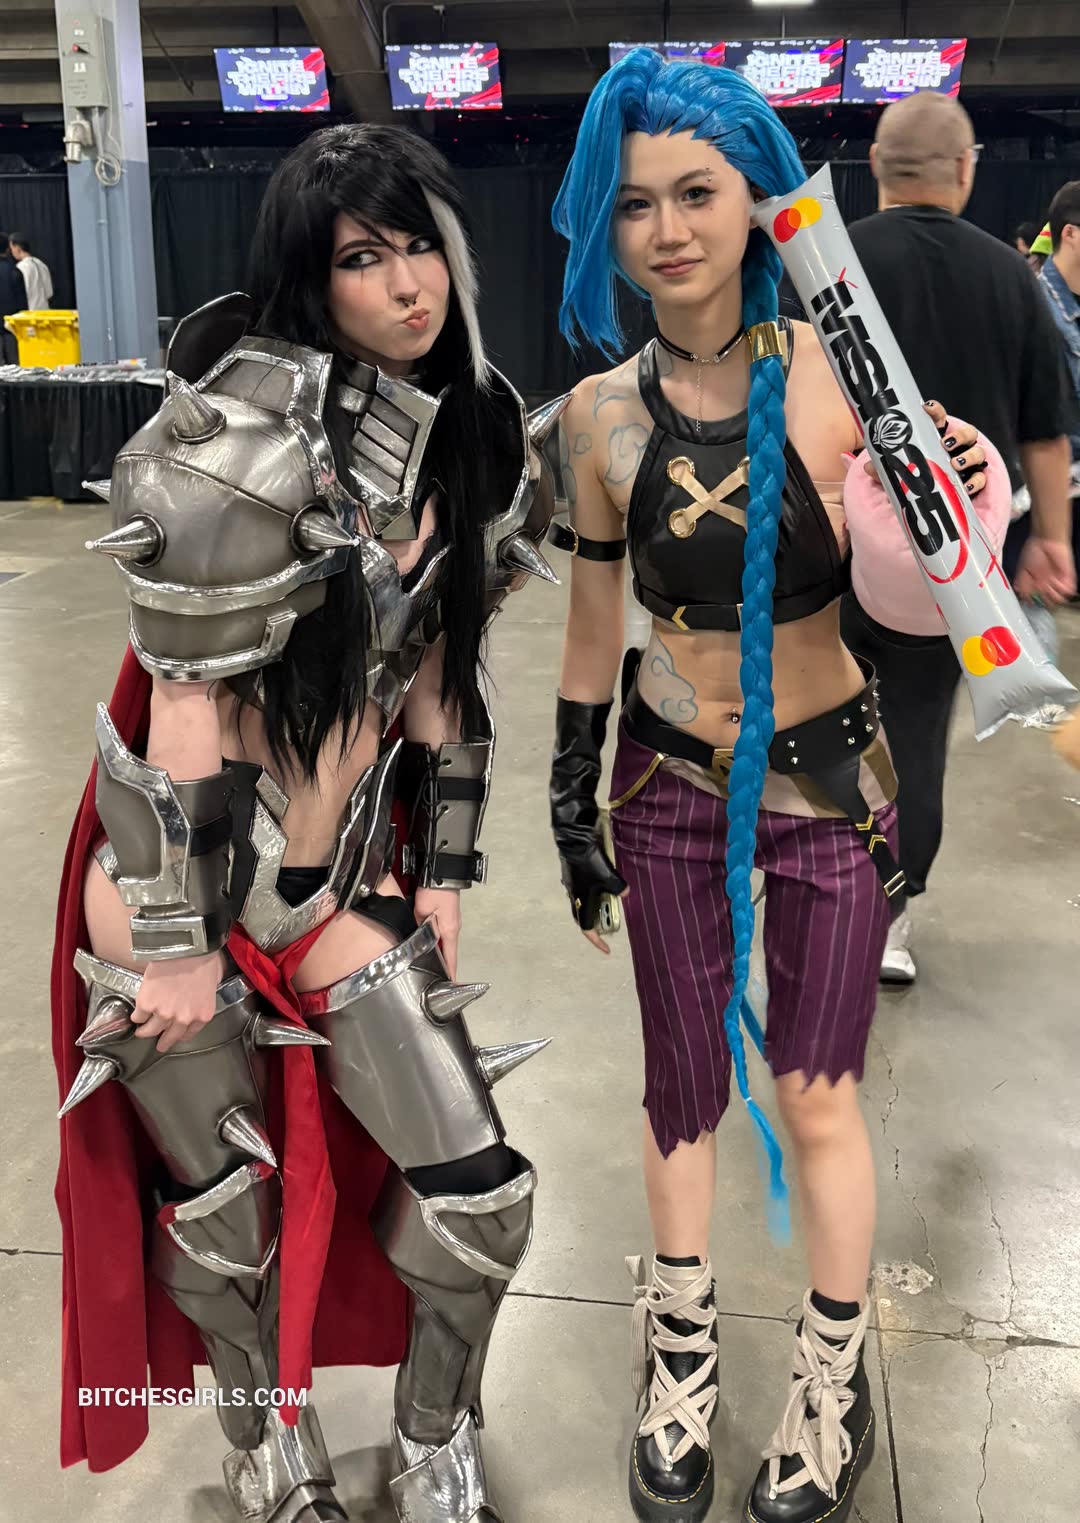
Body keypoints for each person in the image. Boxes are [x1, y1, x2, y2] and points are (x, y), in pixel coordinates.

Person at [52, 123, 565, 1523]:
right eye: (362, 258)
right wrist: (175, 944)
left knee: (480, 1191)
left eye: (421, 246)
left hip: (332, 871)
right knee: (234, 1217)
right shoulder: (232, 447)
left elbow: (443, 679)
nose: (407, 283)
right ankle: (264, 1444)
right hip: (185, 875)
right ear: (308, 276)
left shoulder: (475, 435)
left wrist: (442, 872)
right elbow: (184, 711)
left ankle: (435, 1436)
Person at [545, 49, 993, 1523]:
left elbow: (928, 590)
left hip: (828, 777)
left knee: (817, 1093)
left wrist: (954, 486)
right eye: (636, 203)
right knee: (682, 1079)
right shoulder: (594, 417)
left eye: (698, 193)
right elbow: (594, 616)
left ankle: (831, 1371)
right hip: (665, 778)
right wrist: (567, 786)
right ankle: (677, 1350)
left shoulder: (844, 375)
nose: (668, 229)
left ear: (758, 203)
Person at [841, 90, 1076, 982]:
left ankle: (816, 895)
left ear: (875, 165)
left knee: (814, 717)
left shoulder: (833, 267)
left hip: (832, 544)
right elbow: (1046, 431)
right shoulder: (1013, 277)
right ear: (967, 170)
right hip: (955, 564)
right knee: (911, 727)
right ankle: (889, 916)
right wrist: (1051, 536)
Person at [0, 231, 27, 364]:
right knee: (15, 365)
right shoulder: (15, 271)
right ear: (8, 249)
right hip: (13, 327)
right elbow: (23, 303)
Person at [9, 231, 52, 310]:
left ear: (17, 248)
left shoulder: (20, 268)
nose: (11, 252)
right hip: (45, 311)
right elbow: (49, 293)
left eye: (11, 249)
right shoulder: (42, 264)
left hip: (29, 313)